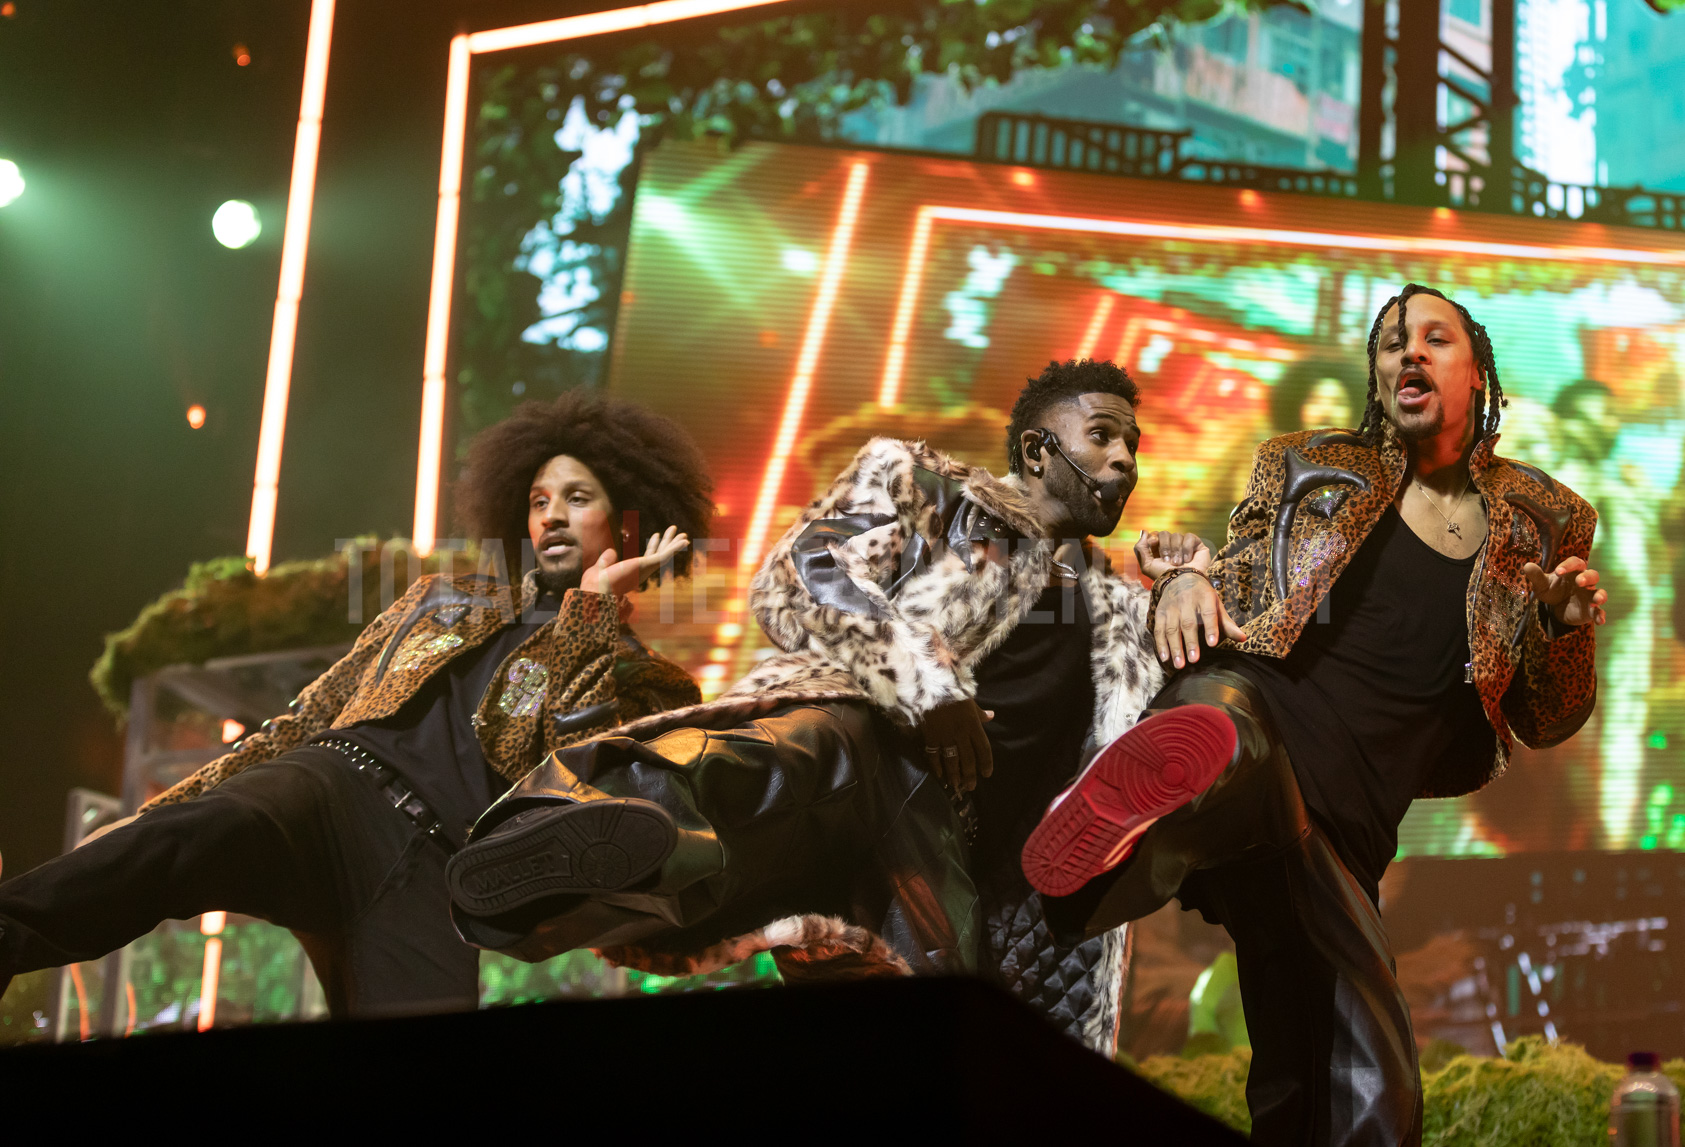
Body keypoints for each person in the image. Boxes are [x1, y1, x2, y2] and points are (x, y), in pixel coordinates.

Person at [442, 358, 1207, 1053]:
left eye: (1132, 445)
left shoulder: (1116, 613)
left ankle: (562, 886)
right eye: (1102, 435)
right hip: (859, 741)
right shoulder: (922, 486)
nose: (1123, 460)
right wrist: (925, 682)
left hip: (943, 854)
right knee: (780, 760)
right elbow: (799, 574)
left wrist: (1182, 577)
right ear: (1038, 450)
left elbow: (1196, 726)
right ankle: (559, 843)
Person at [1020, 284, 1606, 1145]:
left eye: (1433, 338)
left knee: (1352, 1082)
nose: (1408, 352)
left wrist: (1559, 628)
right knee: (1222, 730)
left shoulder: (1546, 517)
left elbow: (1547, 719)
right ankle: (1146, 816)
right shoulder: (1304, 464)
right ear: (1377, 377)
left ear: (1476, 372)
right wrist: (1182, 578)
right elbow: (1236, 586)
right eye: (1390, 343)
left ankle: (1134, 851)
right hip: (1261, 710)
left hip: (1339, 826)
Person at [0, 392, 711, 1018]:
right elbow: (307, 716)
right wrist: (157, 812)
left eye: (577, 498)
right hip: (328, 786)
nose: (551, 514)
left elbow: (579, 781)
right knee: (176, 843)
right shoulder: (442, 600)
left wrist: (592, 611)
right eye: (537, 499)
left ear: (628, 522)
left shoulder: (651, 682)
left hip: (435, 871)